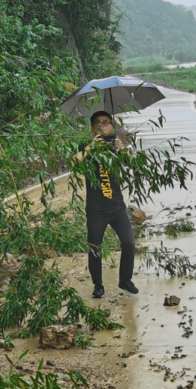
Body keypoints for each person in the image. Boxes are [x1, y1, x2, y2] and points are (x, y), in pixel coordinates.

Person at [75, 111, 140, 299]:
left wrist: (123, 149)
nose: (102, 126)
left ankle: (125, 280)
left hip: (117, 207)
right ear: (92, 128)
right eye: (98, 123)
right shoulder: (86, 146)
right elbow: (74, 164)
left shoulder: (116, 147)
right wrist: (90, 147)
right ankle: (98, 285)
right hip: (96, 210)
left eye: (106, 122)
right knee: (95, 247)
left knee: (129, 243)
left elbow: (134, 164)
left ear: (112, 126)